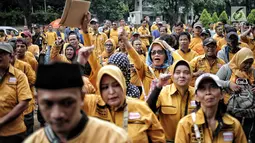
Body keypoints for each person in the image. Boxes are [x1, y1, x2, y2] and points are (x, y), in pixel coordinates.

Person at [24, 62, 130, 143]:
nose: (57, 114)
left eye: (67, 103)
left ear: (82, 97)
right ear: (37, 100)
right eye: (48, 104)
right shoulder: (34, 141)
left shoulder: (114, 138)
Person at [83, 65, 166, 143]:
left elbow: (158, 139)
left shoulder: (141, 107)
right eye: (105, 87)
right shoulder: (92, 104)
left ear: (123, 84)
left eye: (116, 85)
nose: (111, 92)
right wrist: (79, 62)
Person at [175, 73, 247, 143]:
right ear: (196, 97)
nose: (208, 92)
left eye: (213, 87)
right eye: (202, 88)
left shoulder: (233, 125)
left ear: (222, 94)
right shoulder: (185, 125)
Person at [146, 60, 196, 142]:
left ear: (191, 76)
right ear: (172, 75)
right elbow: (148, 110)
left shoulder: (197, 94)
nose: (182, 75)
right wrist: (159, 85)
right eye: (178, 72)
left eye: (186, 72)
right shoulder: (163, 92)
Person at [0, 42, 32, 142]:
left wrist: (1, 122)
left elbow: (24, 104)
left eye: (2, 53)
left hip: (13, 133)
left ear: (10, 57)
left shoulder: (19, 76)